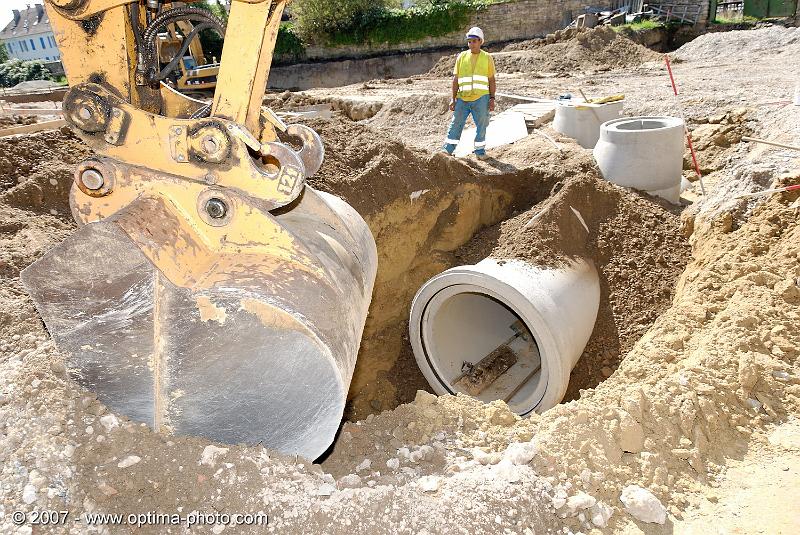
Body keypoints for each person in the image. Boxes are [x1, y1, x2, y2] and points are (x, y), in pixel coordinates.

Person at [442, 26, 496, 160]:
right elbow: (456, 79)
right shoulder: (462, 57)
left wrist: (492, 98)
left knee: (482, 125)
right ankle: (448, 150)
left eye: (474, 41)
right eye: (469, 41)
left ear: (480, 41)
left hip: (481, 98)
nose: (471, 44)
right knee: (456, 124)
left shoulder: (487, 58)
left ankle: (480, 152)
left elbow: (491, 80)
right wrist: (453, 98)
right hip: (463, 98)